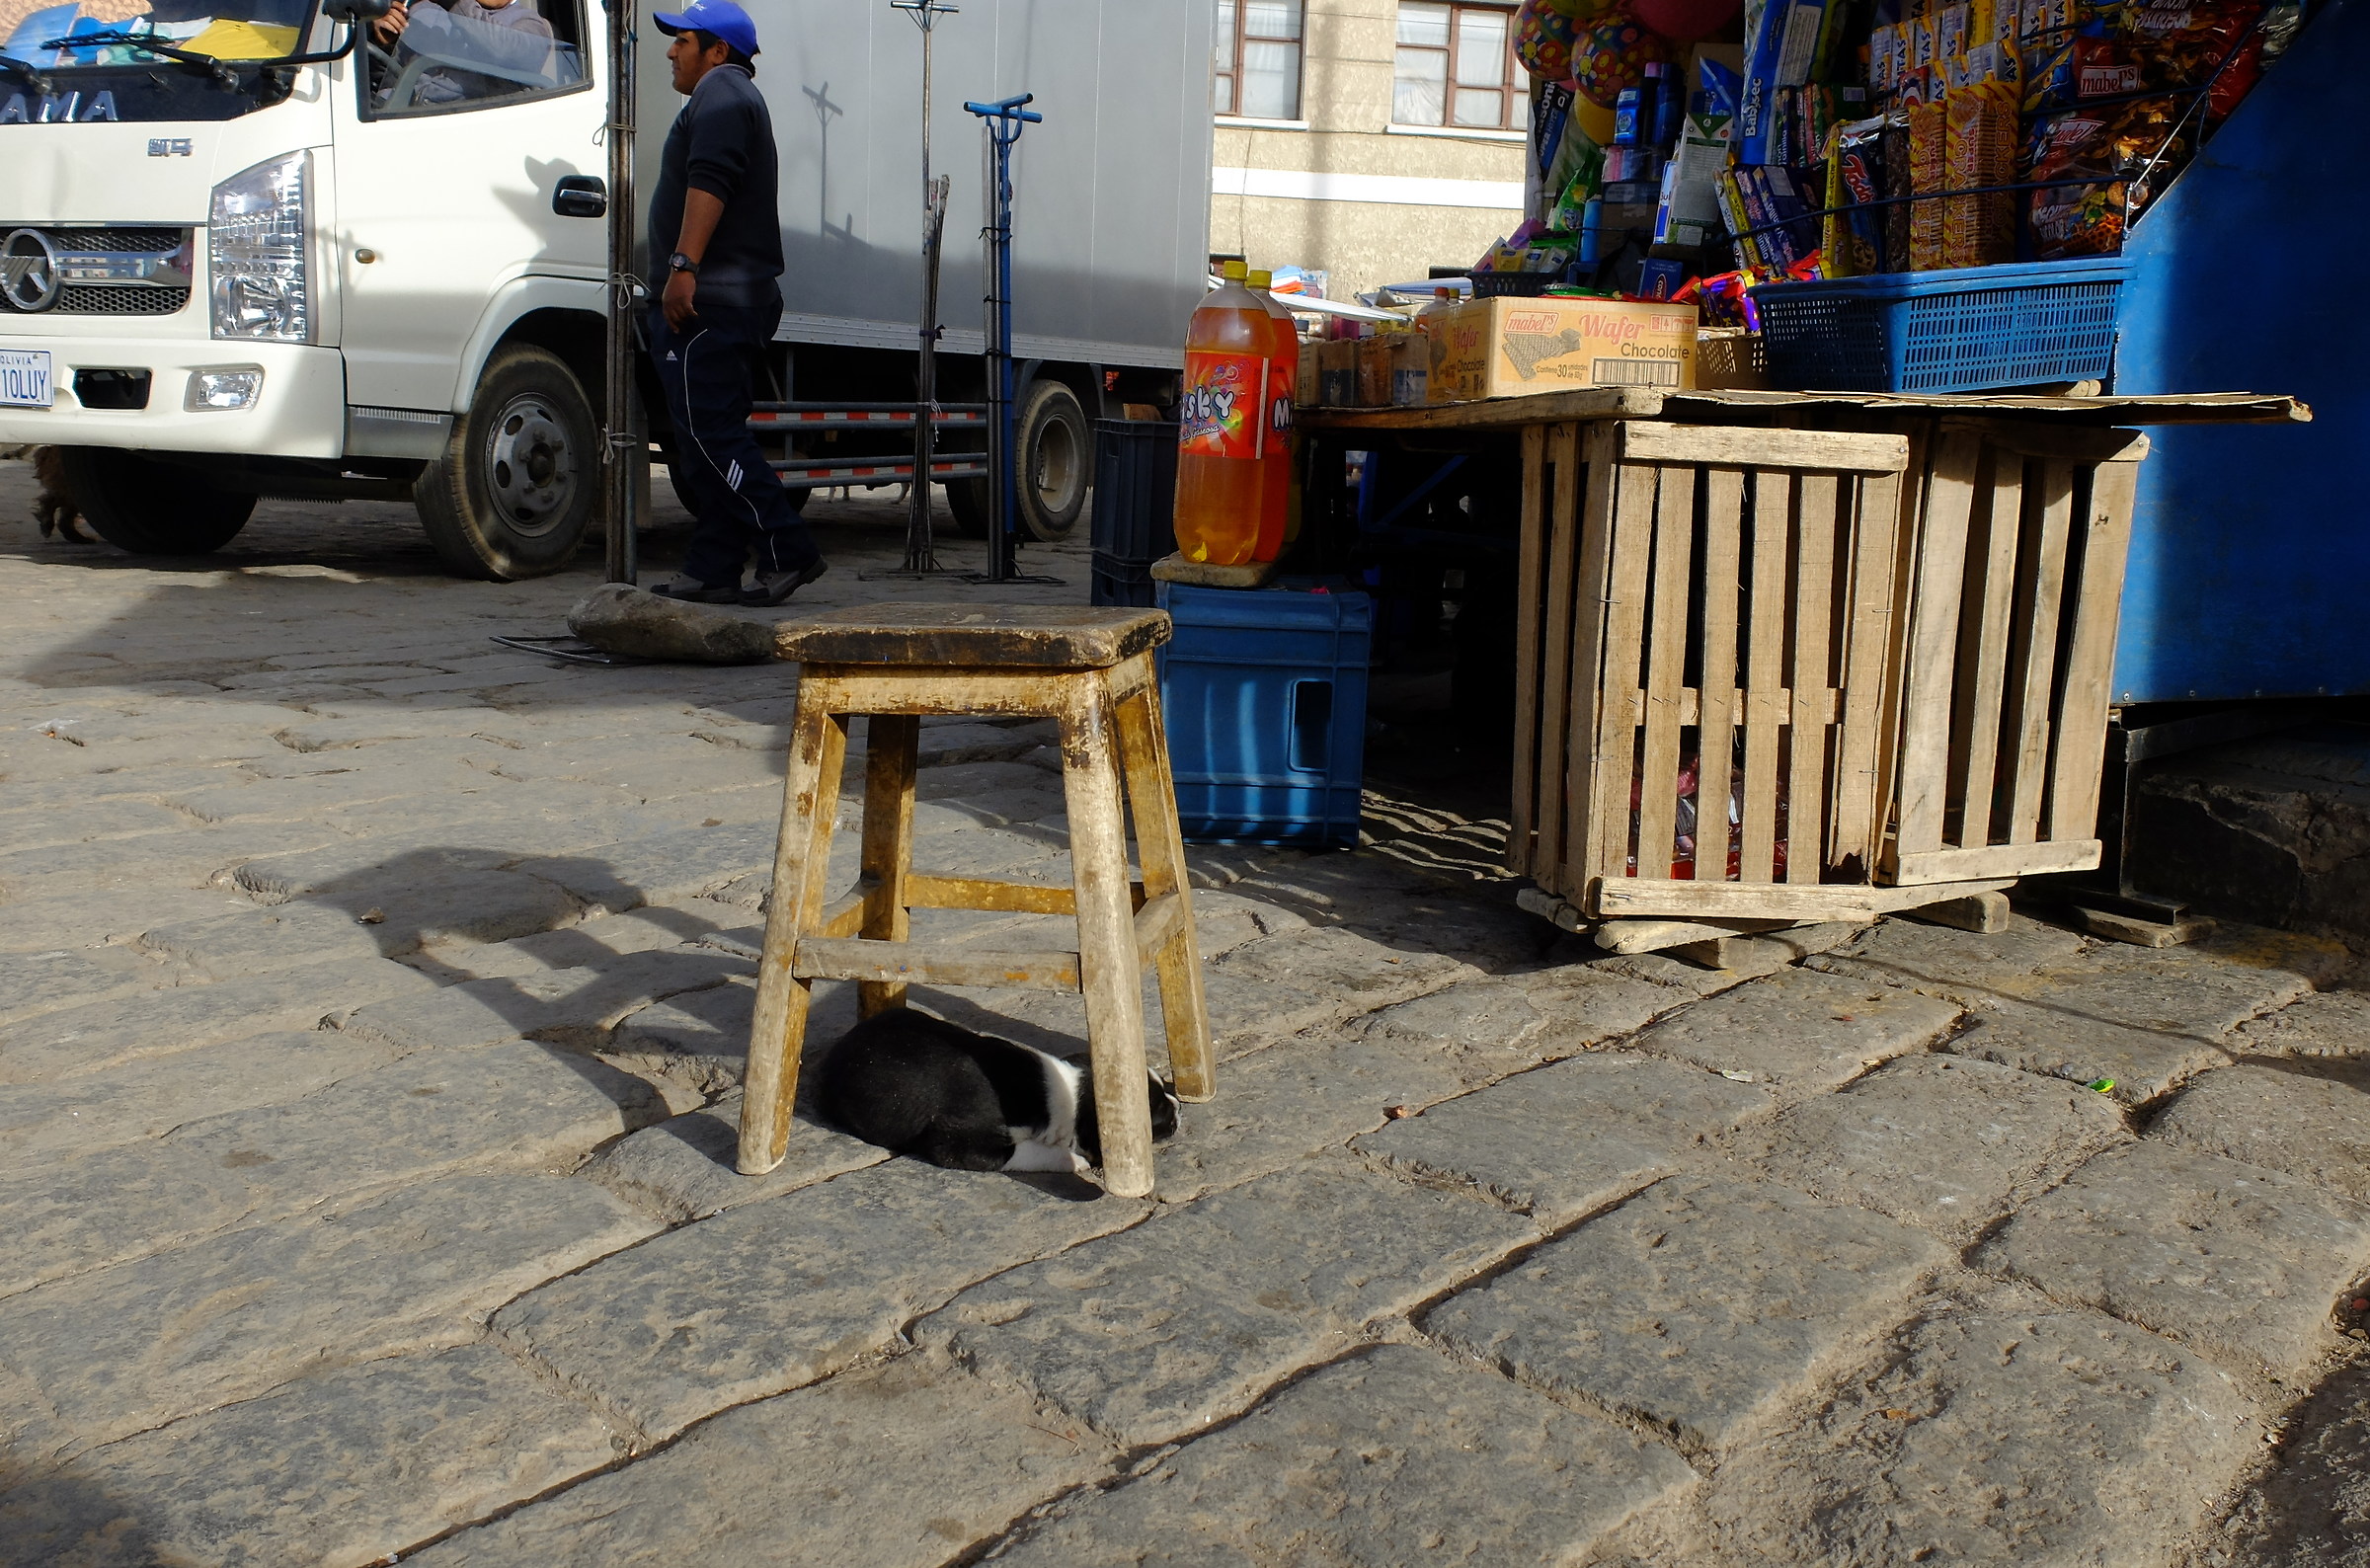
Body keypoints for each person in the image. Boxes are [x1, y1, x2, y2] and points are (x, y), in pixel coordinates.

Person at [642, 0, 825, 605]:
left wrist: (681, 267)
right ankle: (713, 564)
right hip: (721, 301)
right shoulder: (727, 97)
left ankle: (787, 548)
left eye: (683, 40)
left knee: (712, 437)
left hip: (707, 304)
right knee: (702, 442)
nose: (671, 51)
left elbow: (710, 183)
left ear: (717, 51)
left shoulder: (720, 96)